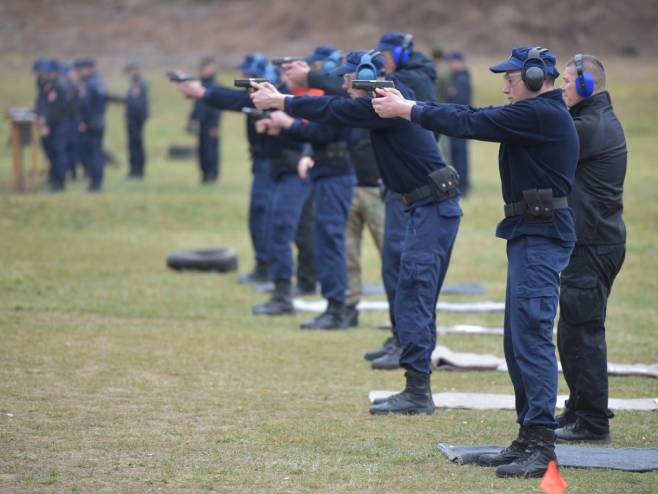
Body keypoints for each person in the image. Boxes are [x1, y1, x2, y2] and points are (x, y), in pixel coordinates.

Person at [371, 46, 578, 478]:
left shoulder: (540, 113)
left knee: (532, 336)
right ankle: (528, 436)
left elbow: (471, 121)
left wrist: (408, 108)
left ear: (538, 78)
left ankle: (541, 444)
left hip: (542, 235)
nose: (504, 85)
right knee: (517, 341)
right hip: (528, 232)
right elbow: (472, 115)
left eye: (512, 78)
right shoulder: (535, 112)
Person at [250, 50, 461, 414]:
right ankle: (416, 387)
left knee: (414, 292)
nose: (343, 89)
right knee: (412, 292)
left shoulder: (381, 105)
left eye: (348, 83)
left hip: (431, 208)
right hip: (423, 206)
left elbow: (333, 110)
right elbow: (335, 103)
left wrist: (281, 99)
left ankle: (417, 392)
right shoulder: (389, 96)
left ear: (363, 81)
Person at [177, 69, 309, 316]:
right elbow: (231, 99)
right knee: (279, 229)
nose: (250, 95)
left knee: (293, 231)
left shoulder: (295, 100)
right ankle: (282, 289)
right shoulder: (275, 99)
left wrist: (285, 126)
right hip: (281, 170)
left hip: (299, 171)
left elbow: (316, 130)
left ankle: (298, 286)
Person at [555, 54, 627, 444]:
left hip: (593, 244)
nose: (562, 87)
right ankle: (578, 409)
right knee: (572, 331)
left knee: (583, 333)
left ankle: (593, 422)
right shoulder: (591, 120)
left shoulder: (589, 126)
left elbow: (549, 135)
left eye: (567, 81)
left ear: (585, 86)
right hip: (594, 241)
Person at [262, 108, 356, 329]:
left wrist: (288, 123)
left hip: (336, 175)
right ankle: (334, 307)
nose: (345, 85)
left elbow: (324, 131)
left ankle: (337, 309)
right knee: (324, 241)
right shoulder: (333, 96)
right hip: (326, 175)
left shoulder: (337, 98)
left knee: (330, 241)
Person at [74, 58, 107, 192]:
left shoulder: (90, 84)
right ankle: (95, 182)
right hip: (95, 122)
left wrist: (84, 122)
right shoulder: (96, 83)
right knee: (94, 153)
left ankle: (95, 184)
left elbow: (87, 105)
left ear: (90, 69)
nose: (79, 72)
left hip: (91, 124)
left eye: (82, 69)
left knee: (93, 154)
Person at [189, 57, 221, 183]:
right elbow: (197, 105)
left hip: (211, 124)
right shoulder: (200, 85)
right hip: (201, 123)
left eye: (205, 69)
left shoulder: (215, 86)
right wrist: (192, 118)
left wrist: (215, 126)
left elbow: (218, 107)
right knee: (202, 150)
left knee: (211, 151)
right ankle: (204, 174)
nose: (202, 71)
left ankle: (212, 175)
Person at [37, 60, 68, 192]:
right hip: (51, 125)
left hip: (56, 125)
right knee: (51, 153)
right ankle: (54, 179)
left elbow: (55, 109)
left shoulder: (57, 86)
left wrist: (46, 122)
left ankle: (59, 183)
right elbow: (43, 105)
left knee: (57, 153)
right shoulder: (48, 85)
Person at [445, 51, 472, 195]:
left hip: (461, 120)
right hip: (458, 120)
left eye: (452, 62)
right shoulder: (456, 77)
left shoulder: (461, 79)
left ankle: (463, 185)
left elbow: (458, 100)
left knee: (459, 154)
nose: (450, 65)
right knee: (455, 154)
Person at [123, 63, 149, 179]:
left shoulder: (139, 85)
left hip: (136, 121)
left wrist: (138, 120)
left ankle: (137, 171)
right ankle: (134, 170)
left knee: (136, 146)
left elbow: (138, 104)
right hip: (133, 120)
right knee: (133, 146)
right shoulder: (136, 85)